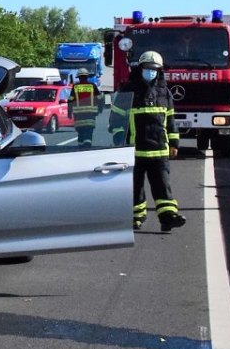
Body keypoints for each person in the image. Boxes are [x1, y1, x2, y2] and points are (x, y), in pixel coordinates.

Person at [109, 51, 186, 232]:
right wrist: (119, 140)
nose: (151, 71)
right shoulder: (128, 90)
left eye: (154, 69)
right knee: (135, 187)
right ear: (140, 68)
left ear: (159, 71)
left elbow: (171, 120)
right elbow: (116, 119)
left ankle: (168, 218)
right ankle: (135, 218)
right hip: (134, 150)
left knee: (163, 187)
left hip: (159, 151)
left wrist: (174, 144)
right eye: (147, 68)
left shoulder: (164, 92)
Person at [68, 68, 103, 147]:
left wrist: (69, 113)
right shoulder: (92, 86)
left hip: (78, 115)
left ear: (79, 78)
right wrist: (100, 110)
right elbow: (100, 99)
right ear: (87, 77)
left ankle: (81, 148)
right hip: (90, 114)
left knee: (81, 132)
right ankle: (87, 147)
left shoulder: (75, 87)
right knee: (88, 132)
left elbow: (70, 100)